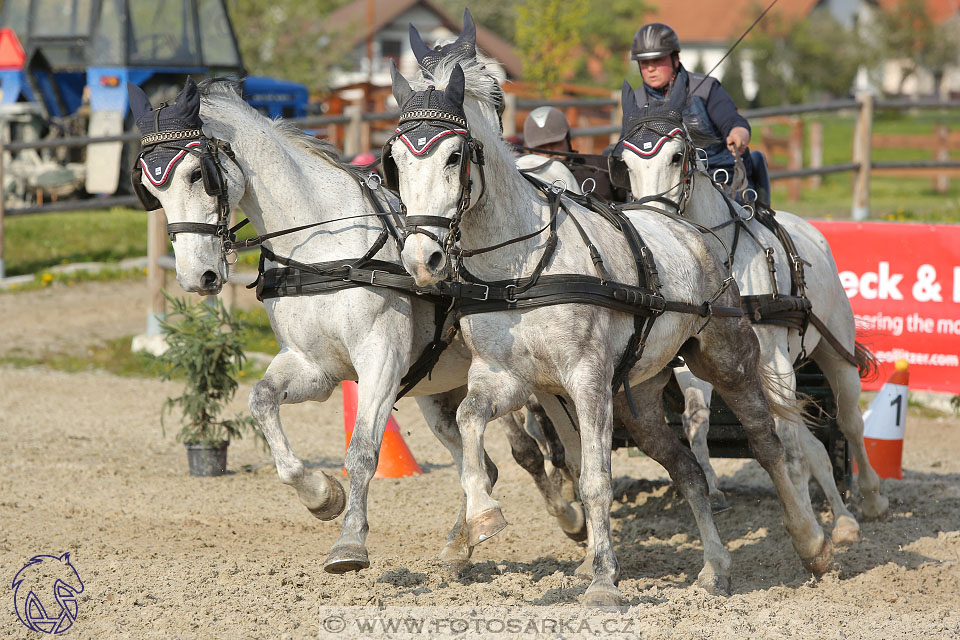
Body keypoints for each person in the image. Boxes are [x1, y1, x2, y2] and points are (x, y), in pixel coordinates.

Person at [630, 23, 770, 205]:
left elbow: (733, 121)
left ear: (675, 58)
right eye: (644, 63)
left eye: (657, 61)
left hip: (720, 176)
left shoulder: (705, 88)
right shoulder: (637, 101)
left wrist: (738, 134)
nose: (650, 68)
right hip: (665, 186)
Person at [517, 106, 627, 200]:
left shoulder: (602, 167)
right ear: (530, 150)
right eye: (541, 147)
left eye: (555, 143)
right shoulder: (525, 183)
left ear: (567, 138)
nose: (549, 151)